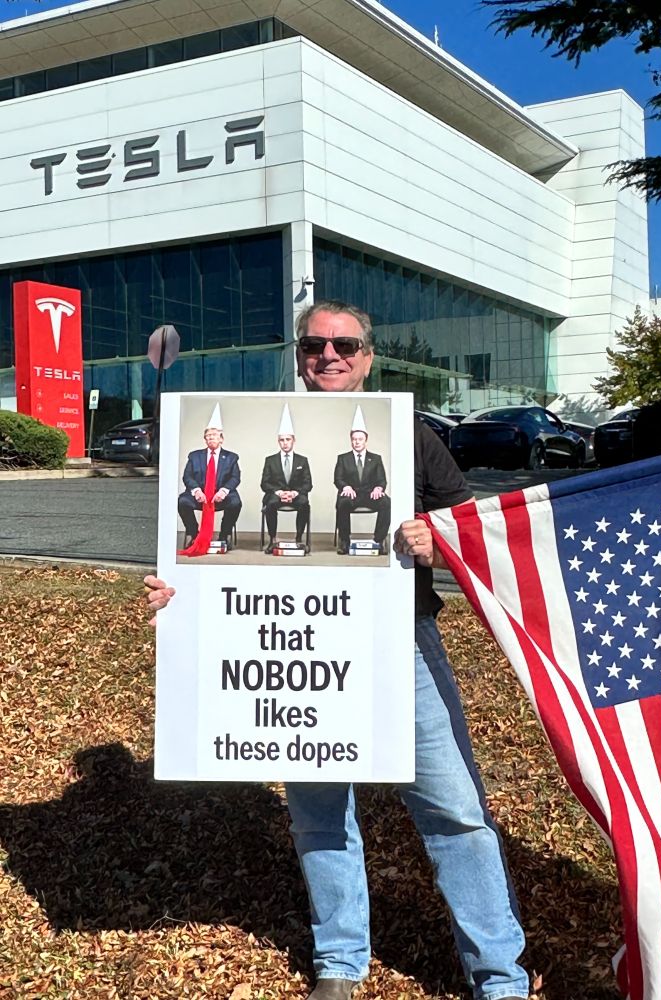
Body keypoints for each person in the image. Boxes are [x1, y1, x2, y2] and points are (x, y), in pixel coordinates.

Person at [147, 300, 529, 1000]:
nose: (329, 355)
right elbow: (208, 544)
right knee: (319, 808)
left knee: (454, 808)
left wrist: (434, 539)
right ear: (299, 354)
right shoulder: (257, 434)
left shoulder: (409, 434)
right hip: (290, 647)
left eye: (344, 344)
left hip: (397, 643)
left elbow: (468, 526)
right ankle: (340, 961)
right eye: (314, 344)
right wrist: (175, 593)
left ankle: (499, 975)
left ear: (367, 355)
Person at [177, 404, 242, 552]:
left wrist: (224, 491)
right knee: (183, 501)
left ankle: (224, 535)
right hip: (201, 495)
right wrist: (196, 491)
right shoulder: (194, 456)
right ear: (205, 440)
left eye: (214, 436)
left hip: (221, 495)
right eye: (208, 436)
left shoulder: (231, 457)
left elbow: (235, 477)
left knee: (235, 503)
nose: (211, 438)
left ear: (221, 439)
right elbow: (187, 476)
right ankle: (193, 534)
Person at [333, 406, 390, 555]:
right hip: (351, 495)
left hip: (369, 495)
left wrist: (379, 488)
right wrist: (345, 487)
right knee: (342, 502)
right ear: (351, 441)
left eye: (360, 439)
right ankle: (345, 541)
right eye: (354, 439)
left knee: (386, 502)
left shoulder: (376, 458)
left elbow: (381, 479)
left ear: (366, 440)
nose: (357, 442)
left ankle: (379, 540)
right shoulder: (343, 458)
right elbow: (338, 478)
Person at [260, 403, 312, 553]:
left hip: (296, 495)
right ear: (278, 441)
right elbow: (264, 483)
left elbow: (308, 484)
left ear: (293, 440)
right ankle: (272, 539)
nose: (285, 443)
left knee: (304, 504)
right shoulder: (270, 460)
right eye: (282, 440)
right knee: (270, 505)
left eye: (288, 439)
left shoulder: (302, 460)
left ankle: (299, 539)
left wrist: (295, 493)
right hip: (276, 495)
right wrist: (279, 493)